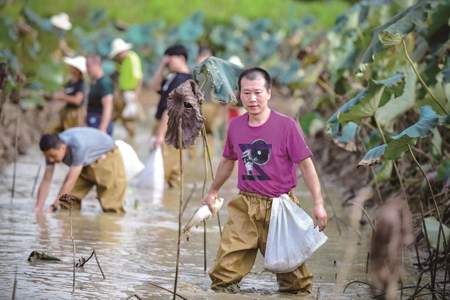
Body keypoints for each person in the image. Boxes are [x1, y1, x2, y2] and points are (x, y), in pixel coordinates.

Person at [202, 67, 328, 294]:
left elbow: (306, 165)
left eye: (258, 92)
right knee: (223, 274)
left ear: (269, 93)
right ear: (239, 94)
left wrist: (318, 203)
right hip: (245, 205)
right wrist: (212, 191)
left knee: (295, 282)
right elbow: (227, 162)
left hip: (280, 206)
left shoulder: (286, 126)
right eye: (246, 93)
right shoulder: (236, 126)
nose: (252, 99)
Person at [34, 127, 126, 213]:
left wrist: (53, 206)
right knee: (67, 202)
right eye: (48, 157)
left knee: (111, 206)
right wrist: (38, 207)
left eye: (53, 156)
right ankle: (74, 228)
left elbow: (70, 182)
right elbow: (46, 180)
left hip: (106, 158)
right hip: (85, 163)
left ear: (63, 147)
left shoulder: (77, 146)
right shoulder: (51, 150)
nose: (51, 160)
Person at [150, 44, 191, 188]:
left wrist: (161, 135)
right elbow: (154, 87)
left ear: (181, 58)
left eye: (170, 59)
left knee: (165, 169)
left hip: (171, 127)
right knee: (172, 169)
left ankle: (165, 204)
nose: (168, 62)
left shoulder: (183, 80)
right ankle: (171, 202)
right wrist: (162, 66)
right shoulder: (173, 78)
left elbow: (171, 109)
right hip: (165, 125)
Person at [110, 38, 143, 141]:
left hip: (130, 93)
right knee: (119, 117)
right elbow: (119, 75)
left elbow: (139, 78)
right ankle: (129, 138)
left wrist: (136, 96)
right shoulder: (121, 61)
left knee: (128, 119)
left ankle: (132, 140)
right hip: (122, 92)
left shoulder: (132, 59)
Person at [47, 56, 86, 133]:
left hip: (75, 115)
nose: (69, 68)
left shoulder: (80, 84)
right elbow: (62, 92)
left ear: (77, 70)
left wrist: (61, 97)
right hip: (66, 112)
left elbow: (77, 100)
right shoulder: (70, 82)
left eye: (72, 67)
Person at [86, 55, 114, 136]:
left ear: (97, 65)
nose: (87, 69)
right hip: (92, 119)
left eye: (88, 66)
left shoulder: (104, 83)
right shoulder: (94, 81)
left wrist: (103, 127)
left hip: (99, 121)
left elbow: (108, 106)